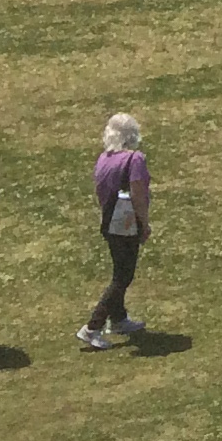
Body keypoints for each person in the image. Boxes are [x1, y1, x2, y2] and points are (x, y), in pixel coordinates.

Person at [79, 113, 152, 349]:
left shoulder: (103, 159)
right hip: (127, 223)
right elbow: (138, 194)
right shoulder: (135, 160)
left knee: (120, 267)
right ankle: (93, 326)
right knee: (123, 275)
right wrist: (144, 222)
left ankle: (118, 318)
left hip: (109, 222)